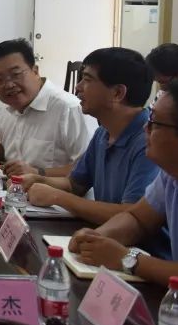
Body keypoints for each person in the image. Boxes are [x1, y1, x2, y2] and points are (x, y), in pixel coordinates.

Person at [19, 48, 160, 225]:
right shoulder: (103, 132)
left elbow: (132, 216)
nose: (77, 87)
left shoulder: (150, 141)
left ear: (117, 93)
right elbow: (75, 184)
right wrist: (39, 179)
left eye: (87, 80)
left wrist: (57, 197)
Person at [67, 80, 178, 286]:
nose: (146, 128)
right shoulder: (171, 175)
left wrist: (128, 260)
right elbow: (138, 219)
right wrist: (98, 236)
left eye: (155, 123)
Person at [0, 39, 96, 178]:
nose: (9, 85)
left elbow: (90, 169)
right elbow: (5, 144)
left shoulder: (69, 109)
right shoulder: (8, 107)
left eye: (16, 75)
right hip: (13, 189)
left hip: (54, 193)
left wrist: (37, 173)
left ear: (35, 71)